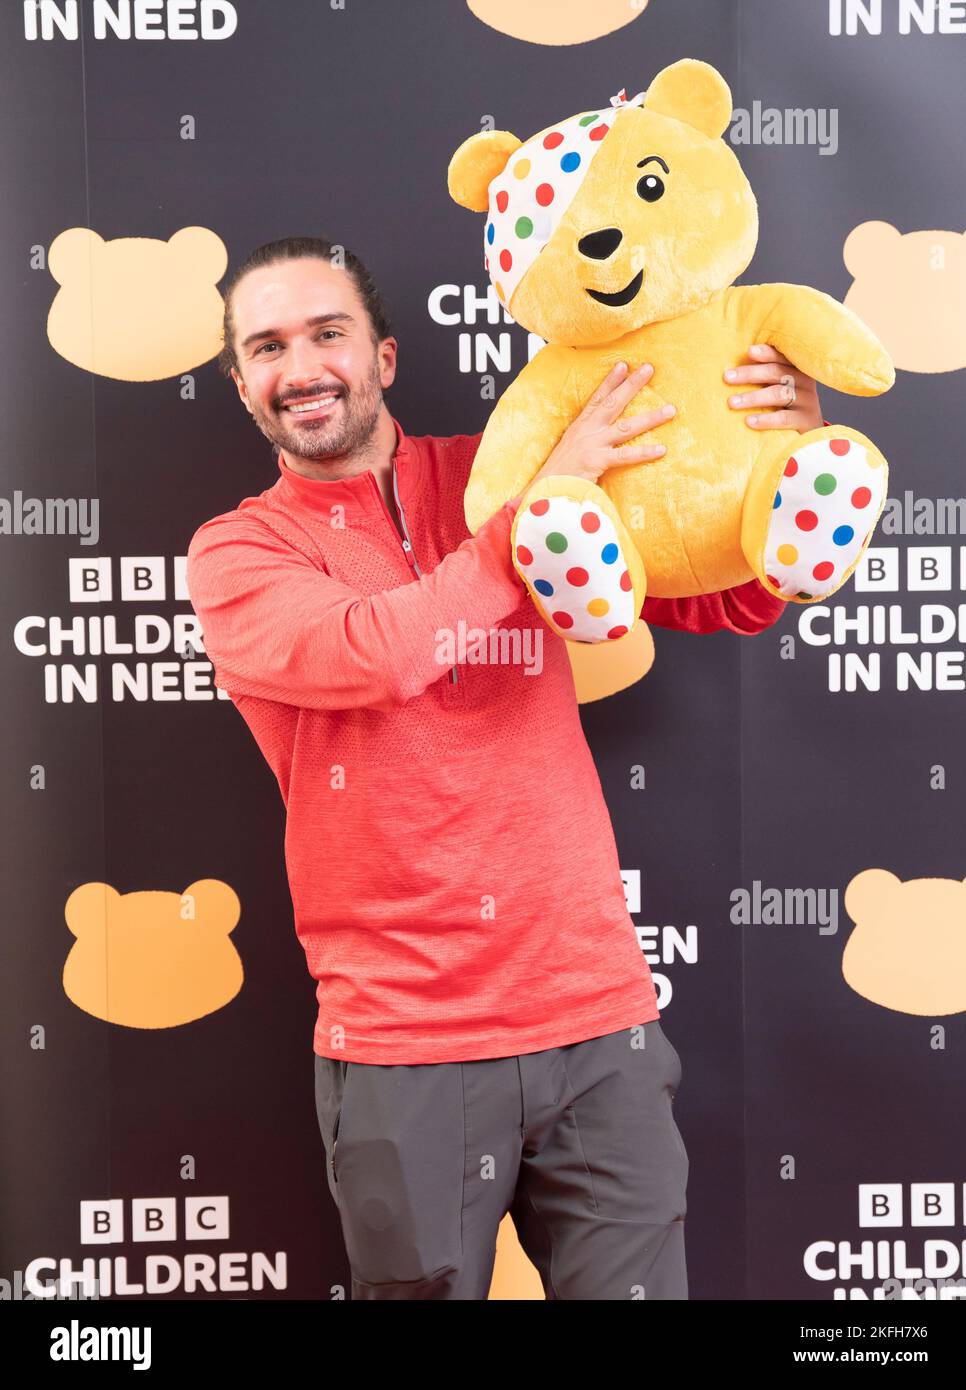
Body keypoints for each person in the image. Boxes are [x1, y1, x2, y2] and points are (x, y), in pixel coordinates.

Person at [185, 236, 823, 1301]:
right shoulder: (237, 552)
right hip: (404, 1043)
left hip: (595, 1020)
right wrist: (537, 519)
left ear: (385, 356)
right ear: (243, 381)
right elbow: (378, 652)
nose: (301, 367)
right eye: (267, 346)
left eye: (327, 333)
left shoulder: (511, 472)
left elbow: (696, 587)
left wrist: (784, 501)